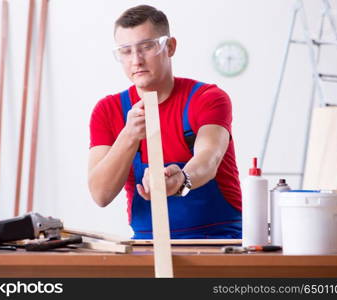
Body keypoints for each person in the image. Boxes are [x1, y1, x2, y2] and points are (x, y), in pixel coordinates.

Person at [88, 5, 242, 239]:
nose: (136, 60)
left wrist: (182, 179)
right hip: (147, 243)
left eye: (146, 47)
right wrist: (128, 137)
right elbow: (100, 194)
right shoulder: (108, 111)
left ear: (169, 47)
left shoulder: (207, 98)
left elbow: (209, 159)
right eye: (126, 51)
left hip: (220, 240)